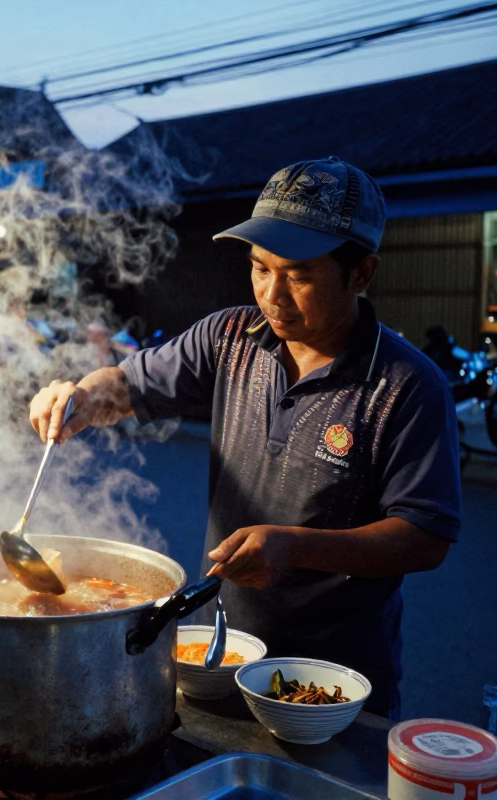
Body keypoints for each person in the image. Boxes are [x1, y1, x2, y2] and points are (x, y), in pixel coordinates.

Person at [29, 157, 460, 720]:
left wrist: (296, 546)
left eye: (299, 276)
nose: (272, 296)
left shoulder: (406, 385)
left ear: (361, 273)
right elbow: (129, 384)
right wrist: (81, 396)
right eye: (260, 268)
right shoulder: (229, 337)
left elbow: (424, 537)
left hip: (334, 679)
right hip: (224, 653)